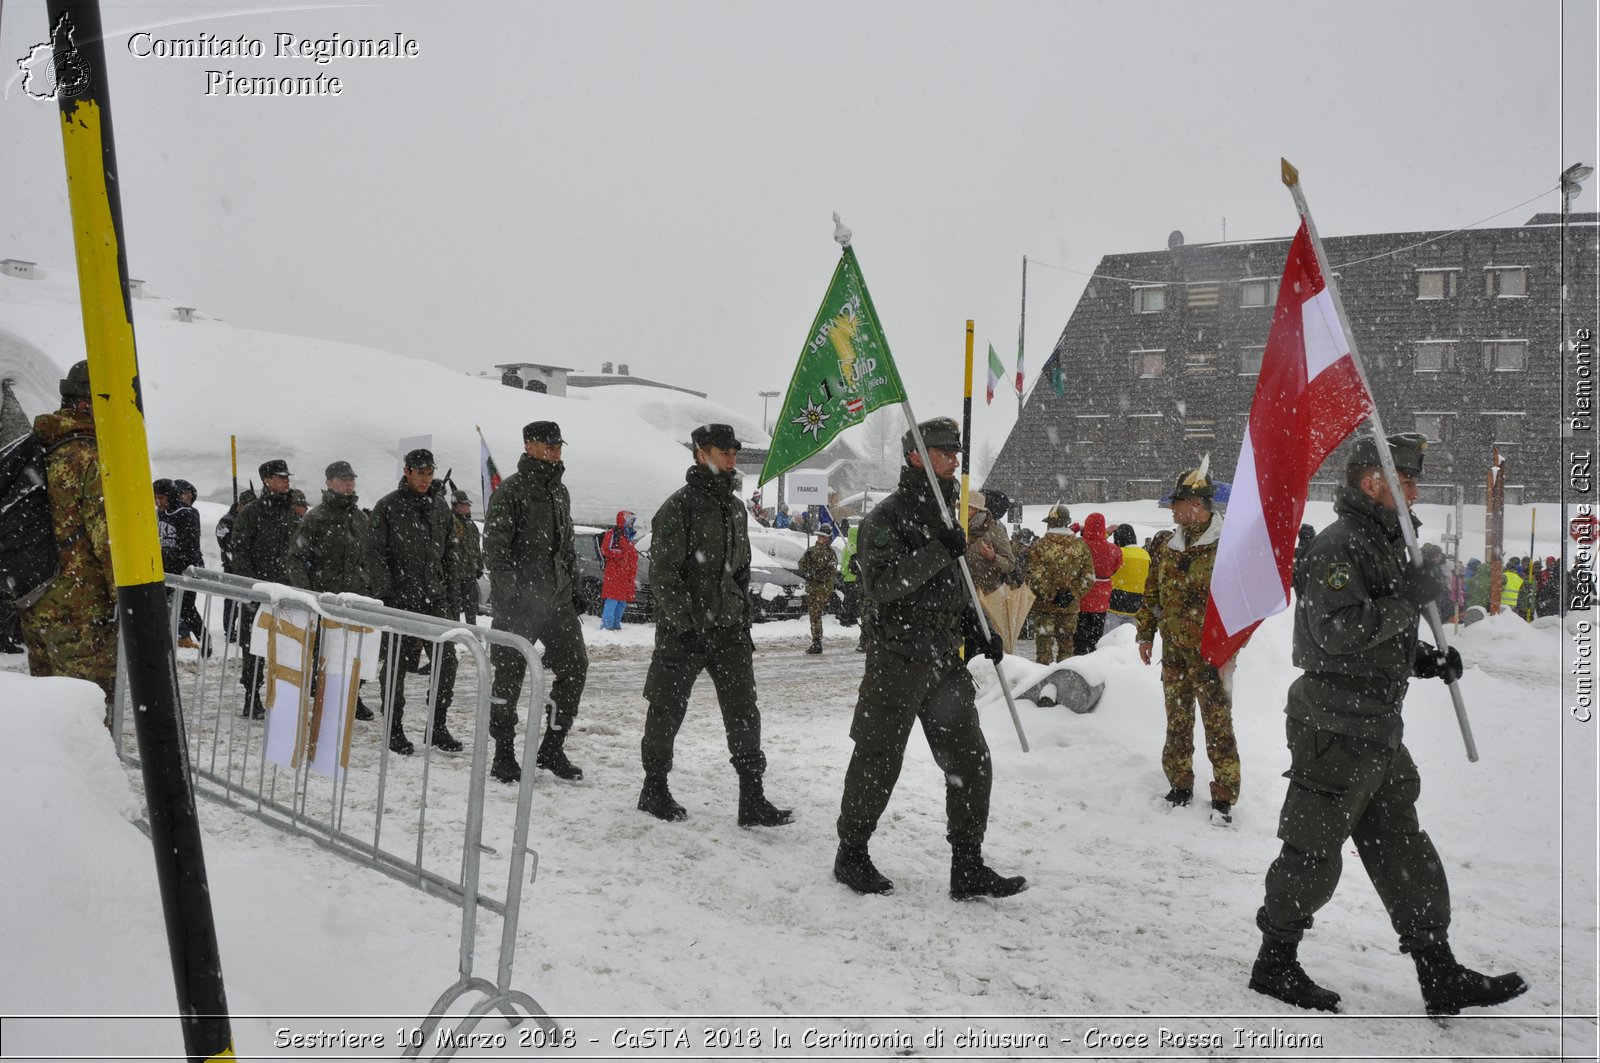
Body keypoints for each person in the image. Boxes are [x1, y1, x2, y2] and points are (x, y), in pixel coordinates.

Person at [1251, 432, 1527, 1017]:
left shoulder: (1383, 542)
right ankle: (1274, 960)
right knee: (1313, 848)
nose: (1416, 491)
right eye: (1406, 481)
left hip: (1376, 724)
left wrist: (1422, 660)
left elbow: (1375, 636)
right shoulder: (1338, 545)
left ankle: (1438, 970)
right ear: (1372, 482)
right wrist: (1406, 596)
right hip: (1333, 726)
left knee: (1402, 847)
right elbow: (1337, 633)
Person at [832, 417, 1024, 900]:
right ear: (917, 455)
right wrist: (939, 551)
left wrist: (978, 631)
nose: (955, 461)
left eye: (957, 452)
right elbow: (883, 586)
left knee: (972, 760)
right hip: (897, 659)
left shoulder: (946, 514)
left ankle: (968, 863)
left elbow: (954, 586)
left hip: (943, 661)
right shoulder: (887, 517)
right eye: (945, 452)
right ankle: (851, 852)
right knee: (878, 759)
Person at [637, 423, 791, 827]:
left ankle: (752, 797)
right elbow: (664, 575)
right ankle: (654, 787)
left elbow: (740, 568)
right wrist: (686, 624)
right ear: (699, 453)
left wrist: (741, 614)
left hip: (728, 631)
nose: (732, 458)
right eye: (724, 452)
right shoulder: (679, 507)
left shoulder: (735, 507)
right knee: (666, 708)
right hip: (683, 633)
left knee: (744, 711)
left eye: (734, 452)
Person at [1133, 464, 1241, 822]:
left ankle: (1224, 796)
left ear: (1197, 503)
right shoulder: (1168, 543)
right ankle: (1179, 784)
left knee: (1217, 723)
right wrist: (1145, 633)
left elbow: (1241, 601)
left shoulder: (1227, 544)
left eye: (1177, 504)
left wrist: (1232, 649)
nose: (1173, 511)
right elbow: (1153, 591)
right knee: (1177, 720)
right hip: (1175, 648)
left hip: (1212, 652)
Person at [483, 422, 589, 783]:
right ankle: (503, 753)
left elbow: (567, 546)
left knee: (575, 667)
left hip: (557, 603)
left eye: (559, 443)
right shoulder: (511, 492)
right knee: (508, 679)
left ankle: (552, 746)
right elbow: (495, 550)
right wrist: (509, 595)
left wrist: (574, 585)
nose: (556, 449)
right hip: (519, 606)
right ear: (529, 446)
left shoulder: (560, 492)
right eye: (548, 444)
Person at [17, 361, 117, 713]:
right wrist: (131, 600)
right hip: (82, 610)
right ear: (91, 403)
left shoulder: (41, 448)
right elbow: (109, 541)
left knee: (48, 716)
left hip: (37, 598)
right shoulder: (90, 456)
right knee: (87, 717)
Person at [371, 448, 462, 756]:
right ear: (407, 471)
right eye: (420, 473)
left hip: (434, 598)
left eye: (429, 473)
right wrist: (387, 593)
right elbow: (372, 554)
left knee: (447, 661)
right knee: (395, 666)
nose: (425, 479)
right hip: (400, 600)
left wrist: (451, 596)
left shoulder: (439, 508)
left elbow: (450, 554)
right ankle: (393, 728)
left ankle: (437, 726)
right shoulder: (387, 507)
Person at [285, 460, 388, 721]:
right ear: (329, 483)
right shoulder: (316, 517)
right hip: (325, 598)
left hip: (354, 598)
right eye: (342, 479)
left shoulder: (360, 517)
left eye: (351, 479)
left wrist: (371, 586)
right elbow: (296, 556)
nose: (348, 484)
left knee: (355, 653)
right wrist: (307, 594)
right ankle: (324, 700)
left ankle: (351, 696)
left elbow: (370, 556)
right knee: (324, 654)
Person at [230, 459, 302, 718]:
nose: (286, 481)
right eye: (280, 477)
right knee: (254, 648)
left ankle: (280, 697)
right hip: (259, 591)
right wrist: (252, 588)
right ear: (266, 480)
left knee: (285, 648)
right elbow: (239, 552)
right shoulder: (251, 513)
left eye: (287, 476)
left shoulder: (291, 513)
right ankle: (252, 696)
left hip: (287, 594)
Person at [1025, 505, 1094, 672]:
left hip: (1044, 608)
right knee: (1066, 651)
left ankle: (1042, 688)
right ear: (1067, 523)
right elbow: (1089, 577)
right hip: (1070, 610)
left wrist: (1052, 594)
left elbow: (1034, 578)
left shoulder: (1039, 546)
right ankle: (1064, 687)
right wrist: (1071, 594)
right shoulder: (1081, 546)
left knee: (1043, 654)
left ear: (1050, 524)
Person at [1073, 512, 1122, 656]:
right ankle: (1094, 661)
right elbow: (1116, 568)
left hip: (1081, 595)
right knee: (1096, 636)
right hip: (1101, 597)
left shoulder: (1078, 545)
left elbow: (1064, 536)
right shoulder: (1113, 550)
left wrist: (1076, 527)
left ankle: (1079, 658)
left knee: (1079, 635)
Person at [215, 487, 255, 643]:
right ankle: (230, 630)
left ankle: (246, 631)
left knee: (248, 601)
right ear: (240, 504)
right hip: (232, 568)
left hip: (247, 568)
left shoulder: (250, 519)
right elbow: (224, 544)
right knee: (231, 601)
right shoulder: (226, 521)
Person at [797, 525, 837, 654]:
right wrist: (806, 572)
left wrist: (814, 575)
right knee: (814, 616)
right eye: (819, 536)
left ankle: (817, 642)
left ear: (828, 538)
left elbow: (830, 572)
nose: (820, 538)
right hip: (812, 589)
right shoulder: (811, 551)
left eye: (823, 536)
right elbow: (801, 563)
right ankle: (816, 641)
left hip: (822, 589)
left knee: (816, 615)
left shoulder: (831, 553)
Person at [598, 510, 639, 630]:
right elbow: (605, 549)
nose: (631, 524)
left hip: (624, 577)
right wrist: (619, 554)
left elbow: (631, 557)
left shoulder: (628, 537)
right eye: (630, 521)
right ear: (624, 521)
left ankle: (615, 626)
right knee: (611, 602)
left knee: (621, 603)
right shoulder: (613, 534)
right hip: (614, 575)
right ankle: (606, 627)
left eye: (632, 522)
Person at [1105, 523, 1148, 634]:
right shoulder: (1145, 555)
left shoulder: (1117, 553)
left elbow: (1097, 548)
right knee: (1129, 641)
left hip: (1114, 603)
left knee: (1109, 639)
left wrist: (1106, 533)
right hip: (1137, 605)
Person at [450, 490, 484, 625]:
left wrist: (479, 565)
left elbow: (476, 548)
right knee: (455, 608)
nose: (467, 508)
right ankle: (456, 635)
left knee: (471, 607)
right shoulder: (451, 522)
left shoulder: (471, 525)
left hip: (470, 573)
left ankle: (473, 633)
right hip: (456, 573)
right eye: (463, 505)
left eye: (467, 505)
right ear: (455, 506)